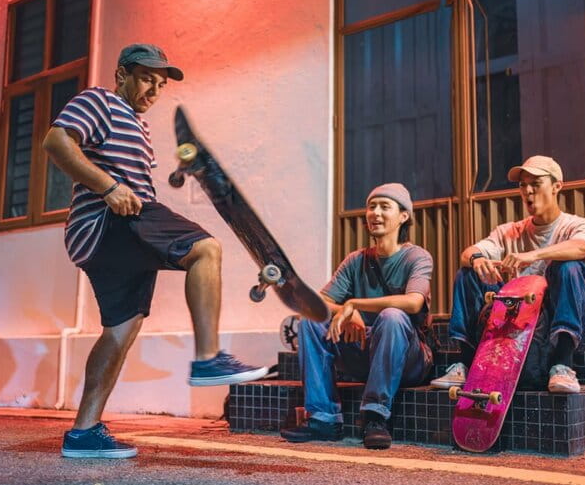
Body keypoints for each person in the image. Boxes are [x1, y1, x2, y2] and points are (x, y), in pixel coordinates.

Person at [43, 44, 268, 459]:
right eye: (147, 78)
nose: (153, 89)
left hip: (106, 238)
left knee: (120, 331)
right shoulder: (101, 101)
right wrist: (108, 187)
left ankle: (83, 433)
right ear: (121, 74)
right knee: (204, 248)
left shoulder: (140, 128)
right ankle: (207, 358)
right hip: (107, 222)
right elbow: (57, 142)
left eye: (160, 84)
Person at [280, 183, 434, 450]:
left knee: (392, 316)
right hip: (364, 351)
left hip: (408, 359)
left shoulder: (417, 256)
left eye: (385, 207)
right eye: (371, 207)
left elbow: (413, 302)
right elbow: (319, 302)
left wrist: (354, 304)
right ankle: (324, 418)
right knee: (310, 321)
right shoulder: (356, 260)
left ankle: (375, 416)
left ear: (403, 216)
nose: (375, 213)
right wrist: (345, 312)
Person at [430, 155, 585, 394]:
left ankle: (563, 364)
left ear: (557, 186)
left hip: (553, 315)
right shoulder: (509, 231)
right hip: (515, 315)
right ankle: (464, 364)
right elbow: (468, 253)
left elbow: (581, 248)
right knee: (468, 273)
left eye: (536, 184)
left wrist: (532, 255)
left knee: (569, 266)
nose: (528, 191)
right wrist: (479, 260)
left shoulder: (577, 225)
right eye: (522, 185)